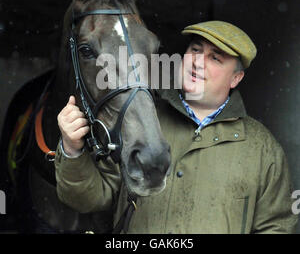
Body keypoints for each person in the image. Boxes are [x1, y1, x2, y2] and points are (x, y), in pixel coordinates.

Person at [55, 20, 298, 233]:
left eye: (215, 58)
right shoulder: (138, 121)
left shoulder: (262, 149)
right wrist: (72, 150)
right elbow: (92, 199)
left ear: (236, 78)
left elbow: (276, 227)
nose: (197, 63)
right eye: (195, 50)